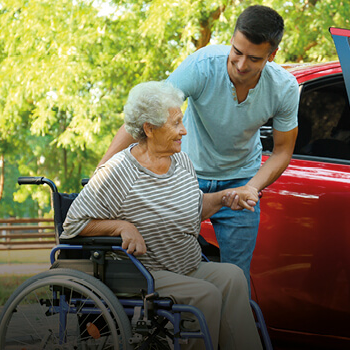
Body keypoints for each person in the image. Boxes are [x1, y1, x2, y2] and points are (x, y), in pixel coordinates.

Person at [98, 5, 299, 288]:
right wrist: (104, 168)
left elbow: (282, 151)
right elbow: (149, 114)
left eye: (253, 58)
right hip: (185, 177)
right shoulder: (203, 65)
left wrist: (252, 187)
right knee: (169, 268)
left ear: (272, 55)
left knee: (236, 278)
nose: (241, 65)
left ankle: (229, 330)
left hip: (240, 179)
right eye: (236, 52)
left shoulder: (284, 88)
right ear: (231, 40)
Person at [63, 81, 263, 350]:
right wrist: (121, 226)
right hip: (148, 273)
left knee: (233, 277)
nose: (184, 130)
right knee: (206, 295)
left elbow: (193, 207)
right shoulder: (119, 172)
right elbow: (74, 224)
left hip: (188, 264)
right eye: (176, 123)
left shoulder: (181, 161)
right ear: (149, 128)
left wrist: (225, 198)